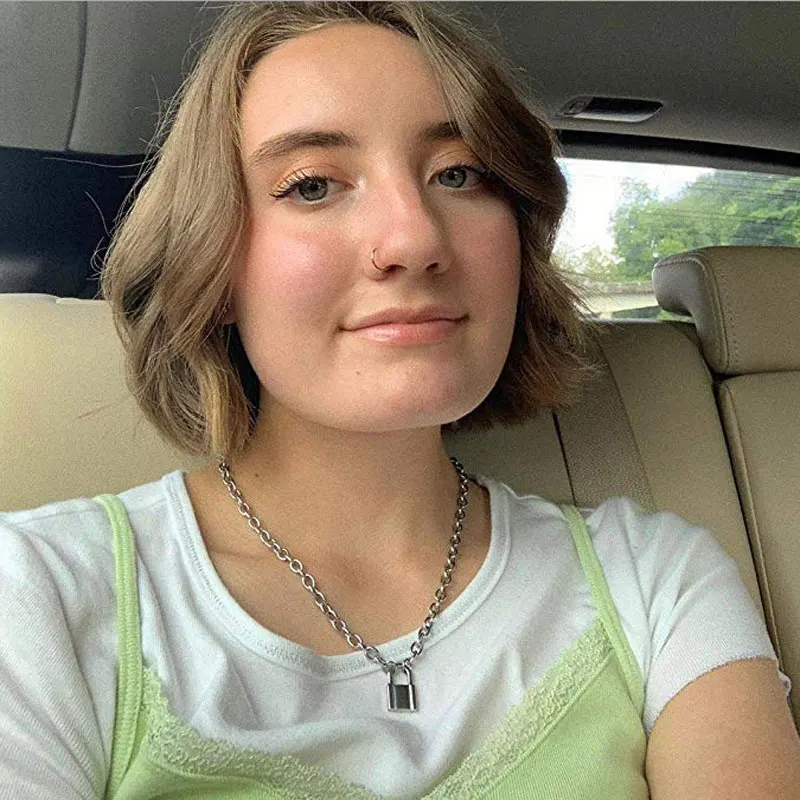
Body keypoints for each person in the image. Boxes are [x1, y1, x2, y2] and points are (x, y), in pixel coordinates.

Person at [1, 2, 799, 798]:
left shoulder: (657, 579)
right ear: (214, 268)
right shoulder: (39, 593)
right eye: (313, 185)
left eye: (460, 173)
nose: (415, 238)